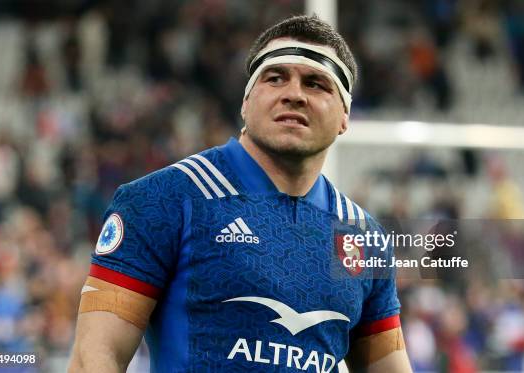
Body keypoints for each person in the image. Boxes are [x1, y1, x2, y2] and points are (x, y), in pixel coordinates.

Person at [68, 15, 412, 373]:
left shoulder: (363, 237)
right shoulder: (164, 199)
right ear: (246, 102)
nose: (294, 94)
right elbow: (93, 358)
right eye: (275, 78)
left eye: (316, 84)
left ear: (345, 116)